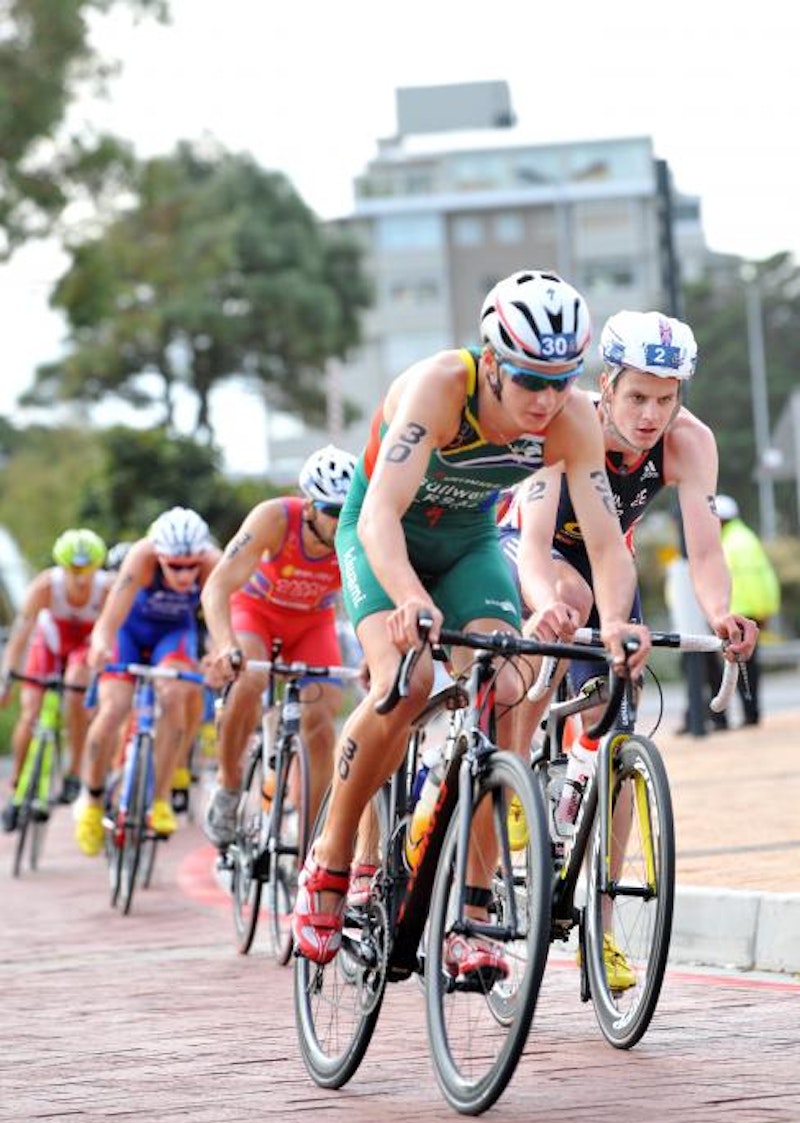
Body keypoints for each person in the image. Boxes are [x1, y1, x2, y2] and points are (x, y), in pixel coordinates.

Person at [290, 268, 651, 971]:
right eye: (528, 380)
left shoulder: (573, 419)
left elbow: (608, 544)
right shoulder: (438, 388)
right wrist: (408, 599)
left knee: (506, 689)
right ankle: (332, 859)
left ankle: (472, 914)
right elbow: (378, 516)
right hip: (381, 537)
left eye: (562, 379)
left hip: (468, 543)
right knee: (408, 679)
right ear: (491, 362)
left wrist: (613, 623)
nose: (547, 399)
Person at [498, 310, 760, 986]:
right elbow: (531, 543)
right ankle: (515, 775)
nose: (651, 415)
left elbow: (705, 549)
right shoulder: (566, 423)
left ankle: (602, 929)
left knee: (617, 736)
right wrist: (547, 603)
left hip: (607, 562)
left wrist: (723, 614)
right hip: (532, 551)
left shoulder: (689, 443)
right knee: (570, 611)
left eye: (666, 400)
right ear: (606, 385)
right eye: (638, 397)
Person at [201, 445, 358, 850]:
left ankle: (311, 851)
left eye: (349, 509)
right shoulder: (274, 518)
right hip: (257, 613)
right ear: (309, 507)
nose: (342, 521)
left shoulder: (359, 528)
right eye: (331, 511)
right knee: (249, 679)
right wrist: (225, 645)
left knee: (321, 724)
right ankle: (229, 785)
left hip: (312, 623)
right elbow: (217, 586)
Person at [73, 507, 221, 856]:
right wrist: (100, 644)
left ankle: (160, 797)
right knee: (113, 709)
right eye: (174, 566)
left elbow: (219, 619)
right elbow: (110, 617)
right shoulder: (142, 556)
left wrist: (218, 653)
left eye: (191, 566)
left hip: (173, 635)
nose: (185, 575)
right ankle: (92, 801)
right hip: (130, 631)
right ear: (159, 556)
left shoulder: (212, 562)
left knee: (175, 695)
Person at [0, 529, 110, 831]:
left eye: (86, 570)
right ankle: (17, 791)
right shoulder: (46, 586)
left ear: (97, 567)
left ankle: (74, 772)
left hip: (82, 648)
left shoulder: (107, 589)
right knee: (30, 711)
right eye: (72, 570)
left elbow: (114, 634)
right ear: (61, 566)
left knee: (76, 684)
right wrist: (6, 679)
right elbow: (22, 633)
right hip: (49, 643)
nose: (80, 578)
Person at [716, 493, 780, 725]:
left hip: (733, 613)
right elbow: (765, 579)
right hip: (751, 612)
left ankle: (732, 717)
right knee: (749, 666)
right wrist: (765, 610)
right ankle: (751, 713)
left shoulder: (726, 544)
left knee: (736, 667)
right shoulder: (747, 538)